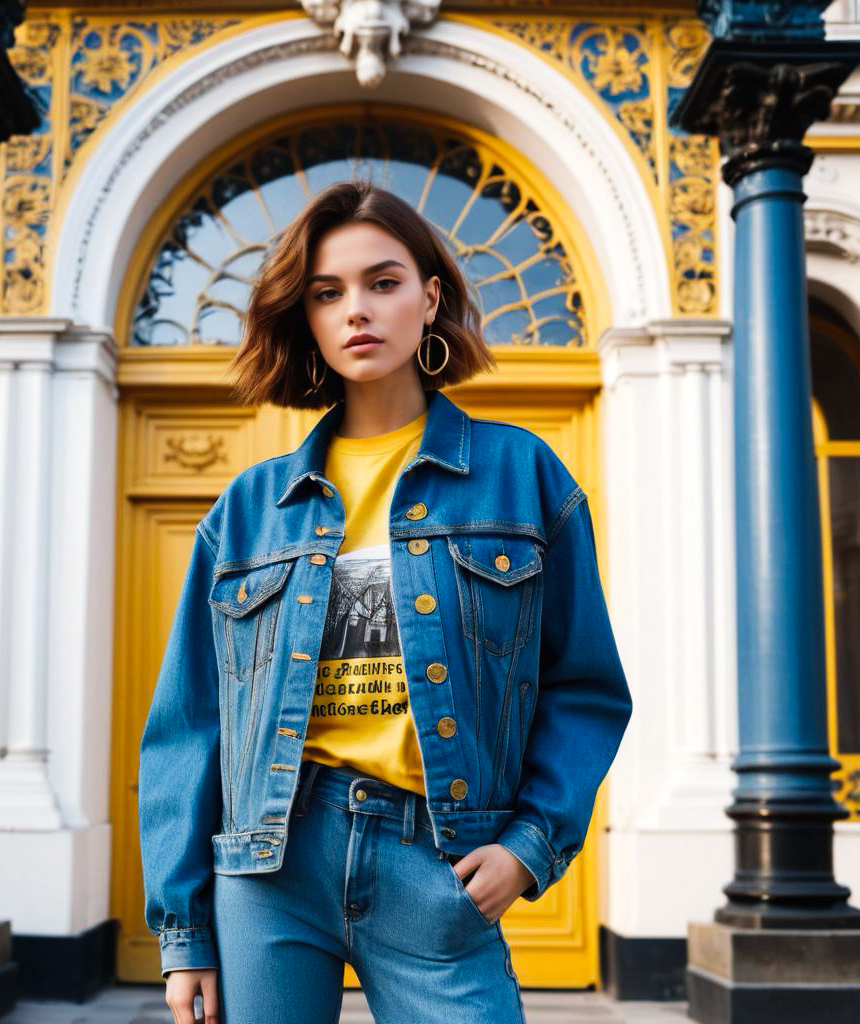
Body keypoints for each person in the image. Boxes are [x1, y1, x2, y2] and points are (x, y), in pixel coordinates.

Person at [139, 180, 632, 1024]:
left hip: (434, 860)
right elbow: (191, 725)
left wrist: (529, 846)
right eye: (327, 294)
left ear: (431, 297)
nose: (355, 311)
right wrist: (185, 934)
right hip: (270, 870)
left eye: (383, 282)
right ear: (308, 316)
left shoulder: (522, 477)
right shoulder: (249, 512)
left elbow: (584, 686)